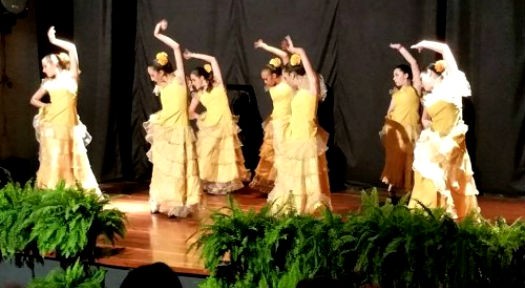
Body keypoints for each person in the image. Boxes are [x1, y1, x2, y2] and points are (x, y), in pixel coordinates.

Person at [407, 40, 480, 220]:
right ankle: (425, 216)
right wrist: (430, 132)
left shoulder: (452, 85)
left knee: (452, 181)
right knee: (427, 176)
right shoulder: (429, 99)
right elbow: (425, 119)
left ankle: (450, 218)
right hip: (435, 143)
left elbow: (445, 49)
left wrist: (424, 43)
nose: (422, 84)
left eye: (423, 79)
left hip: (452, 143)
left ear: (432, 75)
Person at [30, 26, 101, 196]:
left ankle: (72, 190)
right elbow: (33, 100)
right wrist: (46, 106)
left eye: (45, 66)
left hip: (69, 125)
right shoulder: (48, 83)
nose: (44, 70)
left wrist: (54, 40)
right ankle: (54, 191)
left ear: (54, 64)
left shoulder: (71, 76)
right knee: (55, 159)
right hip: (53, 126)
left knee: (71, 158)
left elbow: (72, 48)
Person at [143, 20, 202, 217]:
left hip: (180, 129)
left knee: (180, 168)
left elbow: (176, 47)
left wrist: (158, 34)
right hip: (165, 128)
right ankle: (158, 198)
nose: (152, 78)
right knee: (163, 167)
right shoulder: (160, 86)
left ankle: (180, 201)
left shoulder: (179, 79)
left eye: (153, 74)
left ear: (161, 71)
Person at [268, 36, 331, 214]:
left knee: (307, 177)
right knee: (292, 176)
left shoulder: (311, 89)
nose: (286, 81)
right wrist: (289, 52)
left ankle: (306, 208)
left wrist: (298, 50)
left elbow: (310, 74)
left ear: (295, 76)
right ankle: (293, 207)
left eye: (288, 77)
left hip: (306, 138)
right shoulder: (295, 91)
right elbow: (288, 64)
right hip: (293, 137)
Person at [184, 49, 250, 195]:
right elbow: (189, 113)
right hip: (210, 125)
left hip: (224, 124)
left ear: (203, 78)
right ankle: (210, 181)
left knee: (224, 155)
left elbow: (213, 59)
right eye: (192, 81)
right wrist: (199, 116)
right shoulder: (198, 94)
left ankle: (223, 182)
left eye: (194, 80)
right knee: (208, 155)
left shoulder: (218, 84)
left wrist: (192, 55)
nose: (193, 83)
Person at [249, 39, 294, 194]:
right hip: (276, 122)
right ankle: (277, 184)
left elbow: (284, 56)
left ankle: (289, 183)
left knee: (287, 153)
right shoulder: (272, 86)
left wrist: (265, 46)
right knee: (275, 154)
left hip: (290, 121)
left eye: (267, 78)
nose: (265, 82)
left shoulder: (287, 80)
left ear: (275, 75)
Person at [380, 43, 422, 197]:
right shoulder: (396, 93)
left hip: (410, 131)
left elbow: (413, 63)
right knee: (395, 161)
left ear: (406, 75)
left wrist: (401, 49)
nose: (394, 78)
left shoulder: (415, 88)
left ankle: (410, 192)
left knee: (409, 161)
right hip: (396, 131)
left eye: (397, 74)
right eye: (393, 75)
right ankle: (392, 192)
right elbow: (389, 111)